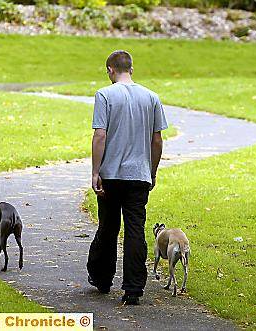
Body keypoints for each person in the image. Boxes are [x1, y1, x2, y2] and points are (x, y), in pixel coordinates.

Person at [86, 50, 168, 305]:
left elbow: (100, 135)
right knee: (135, 230)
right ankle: (133, 288)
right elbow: (157, 140)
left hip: (111, 174)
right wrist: (151, 172)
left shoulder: (104, 95)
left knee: (108, 227)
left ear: (111, 69)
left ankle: (101, 278)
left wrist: (95, 171)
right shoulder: (152, 98)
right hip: (139, 176)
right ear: (131, 69)